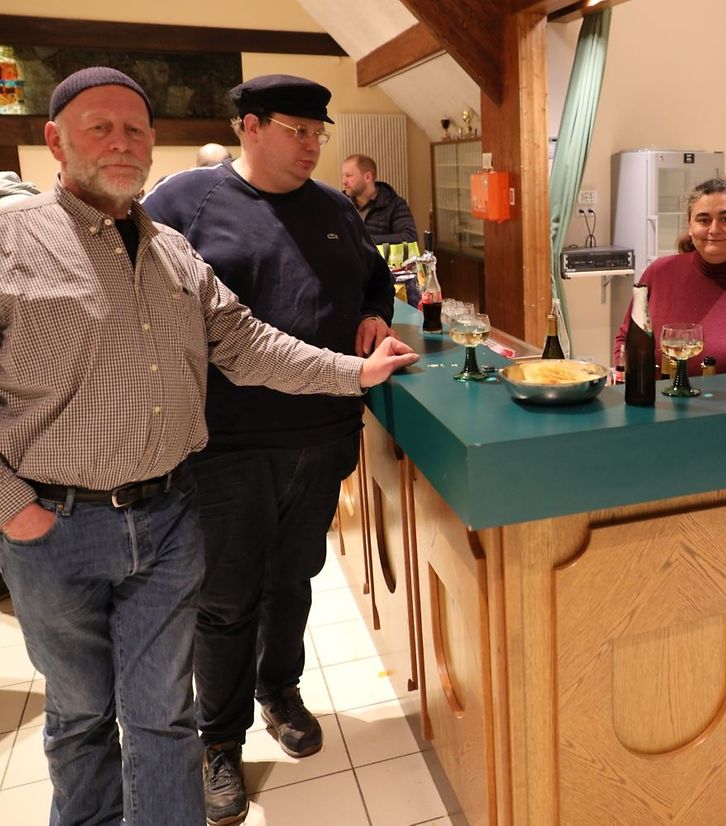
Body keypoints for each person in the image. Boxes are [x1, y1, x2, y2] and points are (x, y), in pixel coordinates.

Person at [0, 66, 417, 826]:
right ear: (55, 140)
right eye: (100, 127)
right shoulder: (36, 236)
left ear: (153, 140)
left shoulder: (171, 249)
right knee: (87, 712)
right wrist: (12, 507)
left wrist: (358, 366)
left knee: (169, 706)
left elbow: (250, 341)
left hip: (187, 501)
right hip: (89, 512)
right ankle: (206, 750)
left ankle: (255, 713)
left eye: (135, 129)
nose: (122, 143)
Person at [143, 75, 401, 826]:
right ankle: (219, 741)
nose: (312, 146)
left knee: (293, 580)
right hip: (226, 444)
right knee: (226, 599)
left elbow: (376, 279)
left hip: (323, 433)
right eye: (297, 130)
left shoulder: (334, 208)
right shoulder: (183, 202)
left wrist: (374, 315)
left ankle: (280, 692)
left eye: (319, 133)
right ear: (249, 126)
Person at [613, 177, 726, 374]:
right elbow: (625, 339)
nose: (714, 230)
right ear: (690, 225)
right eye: (703, 220)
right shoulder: (658, 273)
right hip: (655, 394)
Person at [341, 153, 418, 244]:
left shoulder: (394, 204)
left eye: (349, 175)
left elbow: (409, 237)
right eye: (343, 176)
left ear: (367, 177)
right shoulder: (340, 203)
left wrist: (365, 241)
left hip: (378, 253)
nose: (343, 181)